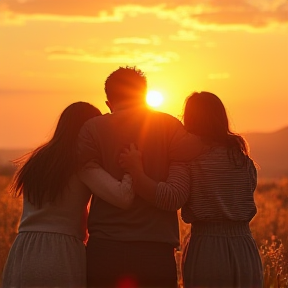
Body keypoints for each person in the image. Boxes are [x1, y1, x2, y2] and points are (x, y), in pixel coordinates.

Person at [120, 91, 263, 288]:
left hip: (209, 250)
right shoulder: (243, 160)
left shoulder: (188, 157)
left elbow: (171, 198)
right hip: (245, 248)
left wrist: (136, 172)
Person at [77, 66, 203, 288]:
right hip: (155, 250)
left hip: (104, 249)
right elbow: (189, 169)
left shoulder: (91, 130)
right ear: (145, 95)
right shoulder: (171, 127)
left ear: (109, 101)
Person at [2, 102, 133, 288]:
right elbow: (123, 197)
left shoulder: (37, 160)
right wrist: (131, 168)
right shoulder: (82, 162)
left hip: (24, 248)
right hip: (60, 252)